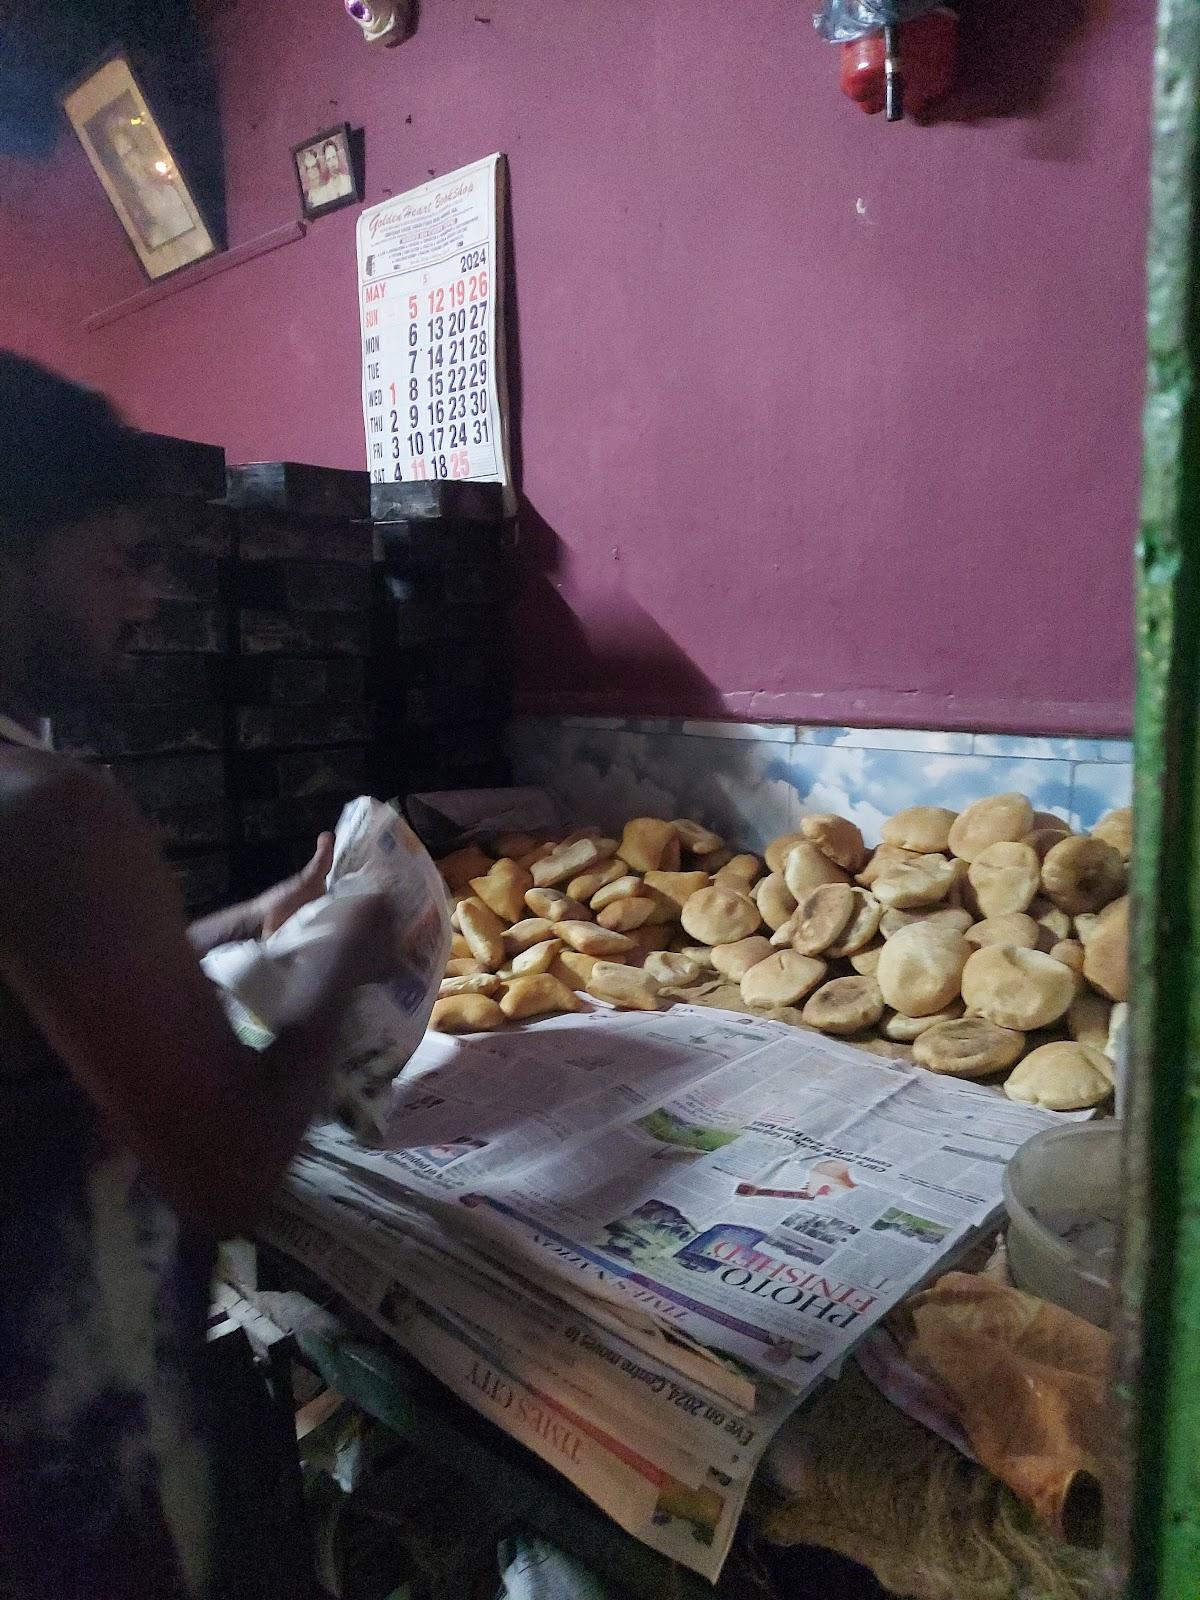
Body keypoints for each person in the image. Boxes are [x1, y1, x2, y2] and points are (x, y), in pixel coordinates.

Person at [0, 354, 396, 1599]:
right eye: (118, 560)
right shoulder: (50, 814)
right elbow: (224, 1167)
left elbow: (47, 999)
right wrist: (344, 950)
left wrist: (253, 915)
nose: (149, 603)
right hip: (61, 1412)